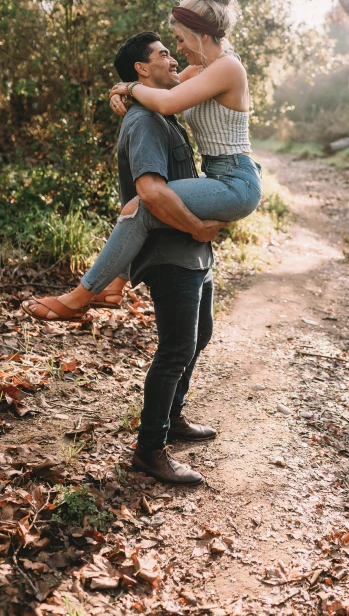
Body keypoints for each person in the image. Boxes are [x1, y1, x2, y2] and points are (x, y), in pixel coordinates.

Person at [23, 29, 228, 485]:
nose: (173, 58)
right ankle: (150, 449)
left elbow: (208, 66)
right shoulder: (145, 122)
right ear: (142, 67)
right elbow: (150, 194)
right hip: (170, 252)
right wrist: (196, 226)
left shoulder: (162, 112)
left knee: (199, 336)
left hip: (194, 251)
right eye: (163, 54)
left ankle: (172, 418)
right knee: (176, 348)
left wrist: (201, 237)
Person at [22, 0, 261, 321]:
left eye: (179, 39)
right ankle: (114, 286)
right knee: (144, 203)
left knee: (142, 204)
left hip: (236, 182)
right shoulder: (200, 71)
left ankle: (78, 297)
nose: (177, 48)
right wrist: (121, 91)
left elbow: (164, 101)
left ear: (201, 35)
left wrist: (128, 88)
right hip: (221, 176)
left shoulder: (228, 68)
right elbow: (158, 85)